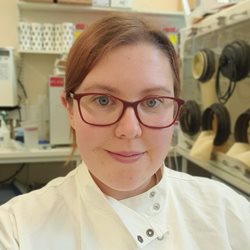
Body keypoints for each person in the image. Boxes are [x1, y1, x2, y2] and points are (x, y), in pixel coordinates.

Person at [0, 14, 249, 250]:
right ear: (71, 110)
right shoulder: (16, 230)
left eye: (152, 102)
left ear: (174, 109)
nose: (129, 130)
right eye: (103, 101)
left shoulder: (228, 213)